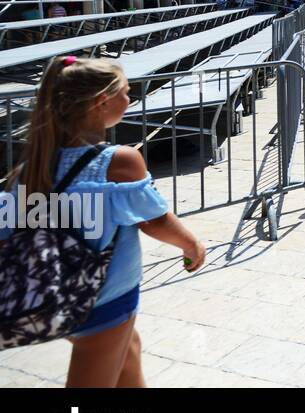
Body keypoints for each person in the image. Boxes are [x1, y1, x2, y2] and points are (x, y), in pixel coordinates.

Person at [1, 57, 206, 386]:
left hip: (57, 293)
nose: (130, 100)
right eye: (126, 93)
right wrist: (191, 245)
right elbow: (154, 221)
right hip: (103, 297)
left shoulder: (34, 166)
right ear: (102, 101)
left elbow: (6, 230)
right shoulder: (118, 161)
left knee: (129, 351)